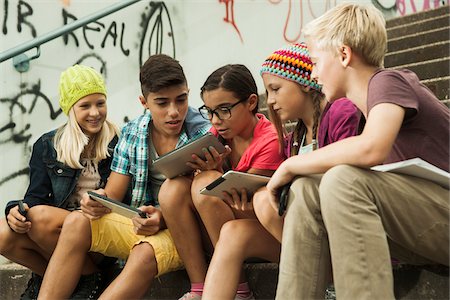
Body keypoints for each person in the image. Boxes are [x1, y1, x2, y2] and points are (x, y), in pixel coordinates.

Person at [268, 3, 449, 300]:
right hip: (421, 229)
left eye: (315, 62)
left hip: (441, 219)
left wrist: (290, 165)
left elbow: (372, 148)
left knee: (342, 180)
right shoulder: (363, 112)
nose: (313, 74)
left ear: (343, 54)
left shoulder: (389, 81)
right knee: (307, 188)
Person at [37, 54, 211, 300]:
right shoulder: (133, 132)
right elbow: (114, 194)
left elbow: (205, 204)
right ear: (144, 102)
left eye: (181, 100)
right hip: (142, 224)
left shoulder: (204, 131)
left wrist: (161, 217)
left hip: (186, 236)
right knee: (77, 221)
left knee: (144, 252)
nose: (174, 112)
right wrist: (98, 200)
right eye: (162, 103)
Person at [201, 42, 362, 300]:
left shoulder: (341, 112)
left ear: (305, 83)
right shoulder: (293, 139)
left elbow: (350, 180)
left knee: (265, 200)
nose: (271, 100)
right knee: (232, 232)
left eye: (275, 89)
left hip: (340, 235)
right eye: (268, 91)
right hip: (302, 234)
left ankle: (332, 282)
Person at [159, 64, 285, 300]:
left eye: (224, 110)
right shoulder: (216, 137)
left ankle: (239, 289)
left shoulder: (271, 141)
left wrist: (210, 172)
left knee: (204, 183)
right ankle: (199, 286)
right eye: (209, 111)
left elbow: (248, 198)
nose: (215, 120)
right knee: (171, 189)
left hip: (261, 230)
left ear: (250, 102)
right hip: (222, 228)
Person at [0, 64, 119, 299]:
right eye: (85, 106)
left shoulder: (118, 142)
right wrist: (15, 210)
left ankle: (81, 278)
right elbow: (35, 198)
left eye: (100, 103)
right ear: (70, 109)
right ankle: (80, 279)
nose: (95, 112)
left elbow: (124, 197)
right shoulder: (48, 145)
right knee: (4, 233)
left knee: (41, 218)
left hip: (99, 231)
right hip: (60, 236)